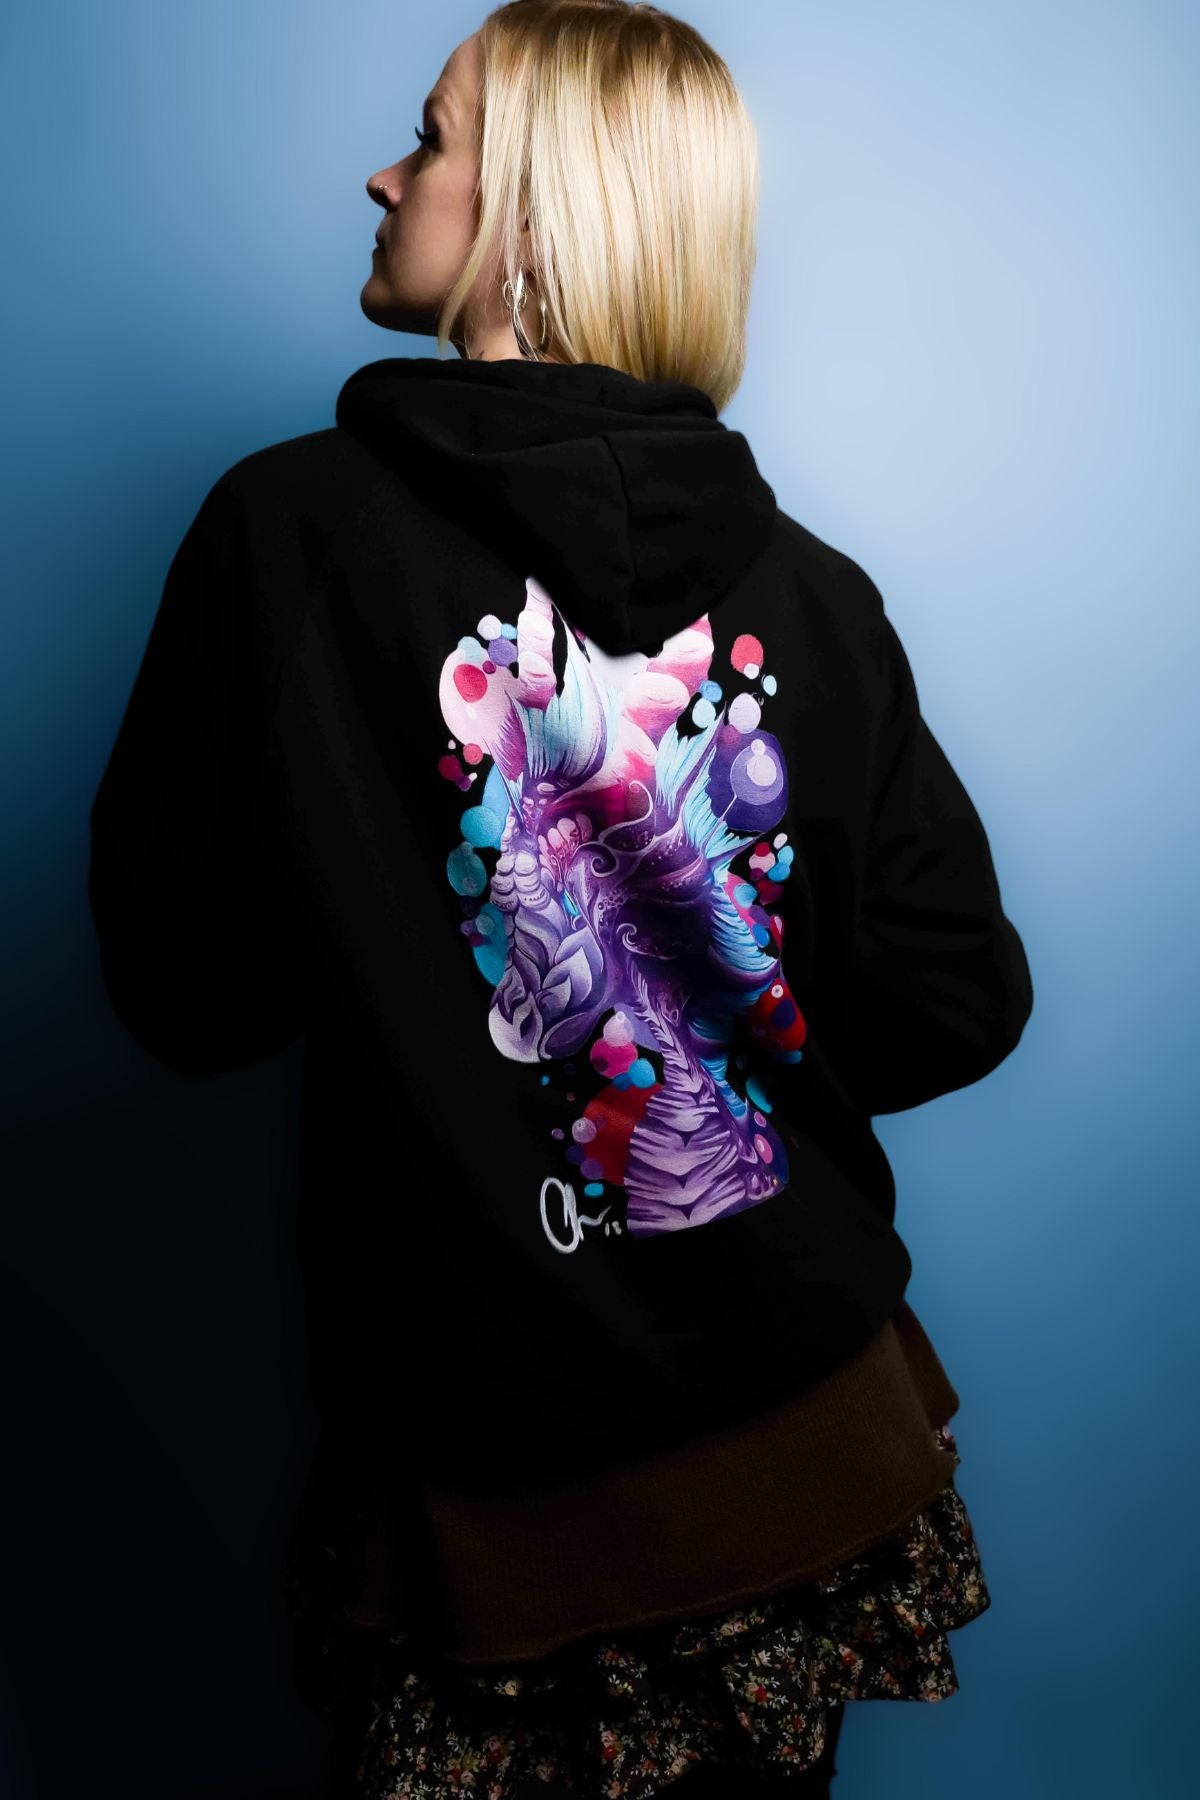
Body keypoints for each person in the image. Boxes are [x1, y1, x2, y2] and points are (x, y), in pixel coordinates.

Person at [86, 3, 1034, 1796]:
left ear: (528, 214)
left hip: (493, 1515)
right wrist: (715, 1032)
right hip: (808, 1450)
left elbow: (183, 989)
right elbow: (954, 998)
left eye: (431, 137)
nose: (384, 177)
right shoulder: (815, 594)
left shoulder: (288, 540)